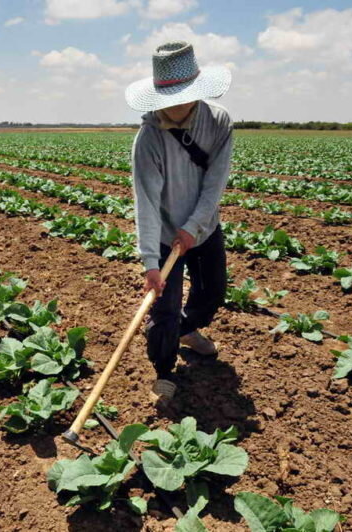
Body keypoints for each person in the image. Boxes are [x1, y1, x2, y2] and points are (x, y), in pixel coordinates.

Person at [124, 41, 233, 405]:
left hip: (203, 227)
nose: (176, 105)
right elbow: (148, 202)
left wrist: (194, 227)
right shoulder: (149, 139)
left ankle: (183, 332)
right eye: (169, 97)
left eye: (184, 95)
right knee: (165, 307)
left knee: (212, 293)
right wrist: (151, 264)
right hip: (164, 233)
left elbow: (215, 182)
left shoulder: (218, 122)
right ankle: (164, 369)